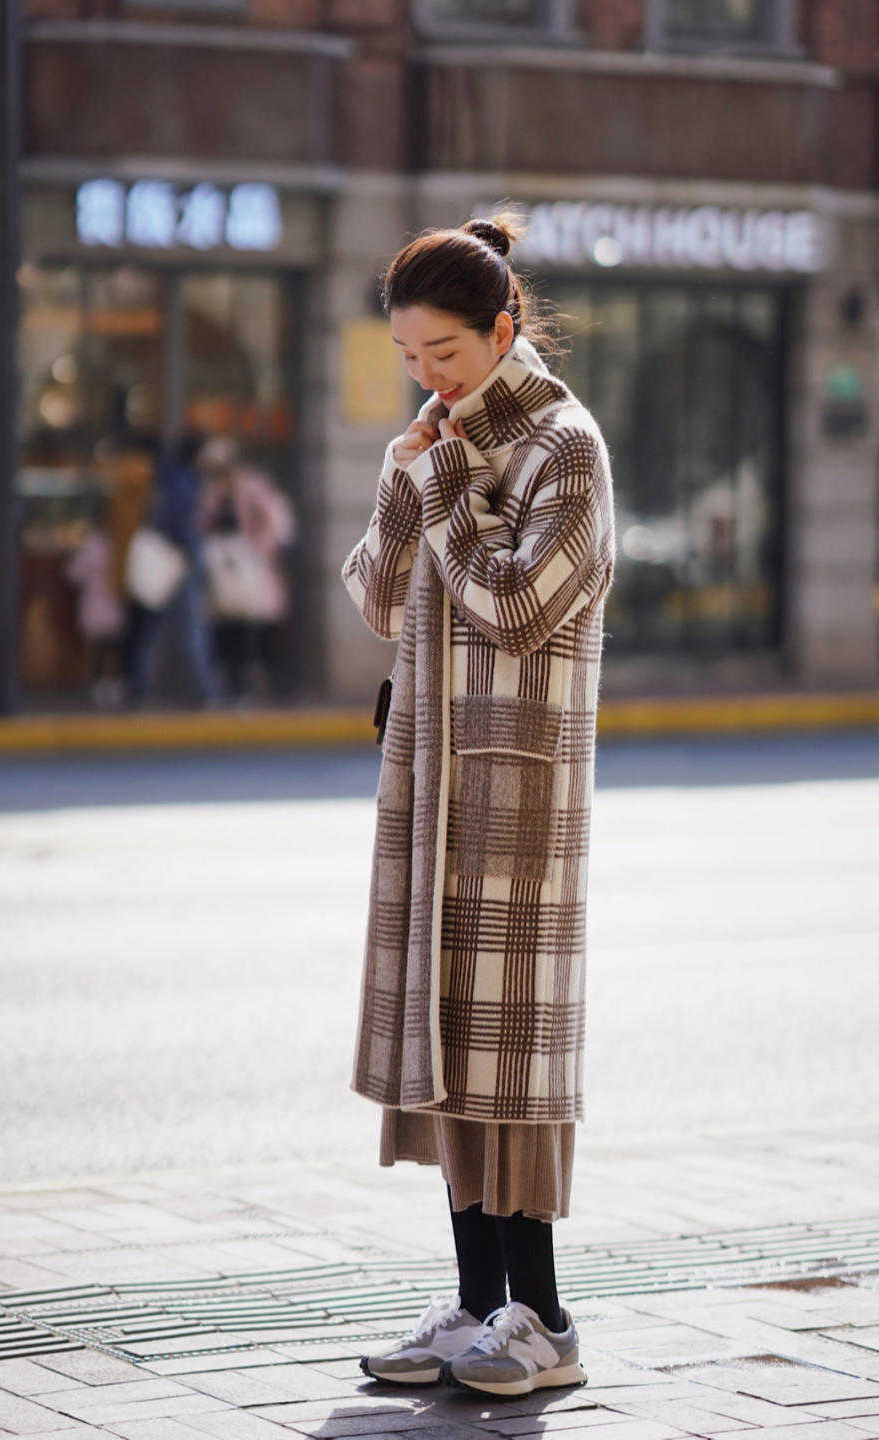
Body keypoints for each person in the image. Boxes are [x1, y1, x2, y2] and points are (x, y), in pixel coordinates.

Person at [341, 209, 616, 1398]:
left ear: (505, 328)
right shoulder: (439, 440)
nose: (429, 375)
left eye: (446, 354)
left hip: (515, 790)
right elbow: (375, 596)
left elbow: (514, 605)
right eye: (411, 355)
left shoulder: (565, 446)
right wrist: (408, 479)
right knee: (444, 1042)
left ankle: (543, 1318)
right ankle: (471, 1305)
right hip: (427, 777)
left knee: (511, 1057)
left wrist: (447, 474)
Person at [122, 429, 223, 708]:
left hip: (166, 559)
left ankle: (142, 686)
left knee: (152, 625)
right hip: (176, 561)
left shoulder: (169, 476)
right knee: (188, 627)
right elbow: (179, 521)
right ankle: (201, 691)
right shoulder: (182, 479)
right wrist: (188, 553)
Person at [197, 435, 296, 702]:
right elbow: (203, 524)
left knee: (261, 624)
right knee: (229, 625)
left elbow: (277, 518)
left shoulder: (252, 485)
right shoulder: (213, 493)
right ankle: (235, 682)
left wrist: (266, 548)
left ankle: (265, 682)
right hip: (223, 570)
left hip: (254, 565)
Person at [63, 494, 125, 708]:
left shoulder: (89, 546)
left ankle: (98, 688)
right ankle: (113, 686)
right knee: (112, 650)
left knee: (96, 651)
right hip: (113, 605)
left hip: (93, 605)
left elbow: (72, 574)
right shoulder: (116, 545)